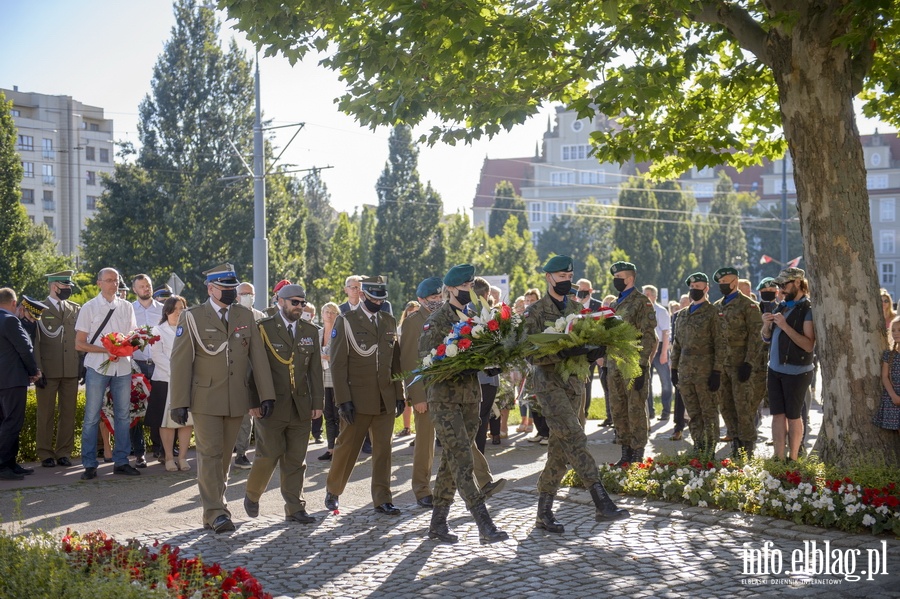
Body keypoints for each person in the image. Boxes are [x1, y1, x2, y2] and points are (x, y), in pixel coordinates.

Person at [523, 256, 630, 533]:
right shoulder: (535, 312)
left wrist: (594, 351)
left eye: (569, 276)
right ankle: (600, 500)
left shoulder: (575, 308)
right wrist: (559, 352)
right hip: (548, 385)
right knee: (574, 437)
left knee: (559, 449)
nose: (566, 281)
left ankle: (543, 513)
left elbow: (584, 340)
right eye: (560, 276)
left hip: (574, 384)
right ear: (548, 278)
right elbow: (529, 352)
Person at [169, 263, 276, 533]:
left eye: (233, 288)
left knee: (225, 457)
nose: (231, 293)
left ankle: (216, 507)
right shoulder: (193, 317)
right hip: (205, 398)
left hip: (236, 397)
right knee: (209, 454)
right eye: (225, 289)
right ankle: (216, 512)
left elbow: (258, 359)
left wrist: (266, 394)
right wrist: (178, 402)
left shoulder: (245, 314)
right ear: (211, 289)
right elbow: (180, 361)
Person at [420, 264, 508, 544]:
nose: (471, 291)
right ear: (452, 290)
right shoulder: (437, 320)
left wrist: (490, 364)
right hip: (445, 400)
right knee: (463, 459)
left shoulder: (472, 317)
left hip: (471, 397)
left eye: (472, 286)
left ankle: (437, 524)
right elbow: (428, 361)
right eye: (466, 287)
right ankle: (484, 523)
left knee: (450, 461)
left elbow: (478, 352)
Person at [324, 276, 405, 516]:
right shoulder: (346, 320)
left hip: (385, 397)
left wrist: (399, 394)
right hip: (356, 400)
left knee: (383, 451)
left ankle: (382, 498)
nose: (378, 303)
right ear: (363, 296)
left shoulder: (388, 320)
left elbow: (395, 362)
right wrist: (343, 400)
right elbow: (338, 365)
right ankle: (333, 491)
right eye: (374, 299)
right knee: (347, 447)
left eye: (382, 299)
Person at [244, 284, 324, 524]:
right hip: (271, 404)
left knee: (296, 459)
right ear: (280, 301)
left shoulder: (310, 331)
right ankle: (252, 494)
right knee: (268, 455)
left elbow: (314, 371)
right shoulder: (264, 329)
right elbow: (252, 369)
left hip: (300, 405)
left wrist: (317, 402)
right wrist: (254, 401)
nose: (299, 306)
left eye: (302, 302)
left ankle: (295, 507)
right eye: (294, 302)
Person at [75, 268, 140, 480]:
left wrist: (130, 344)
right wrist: (107, 349)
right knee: (92, 417)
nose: (113, 284)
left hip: (122, 368)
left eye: (116, 280)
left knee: (123, 415)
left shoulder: (127, 306)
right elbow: (79, 344)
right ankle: (89, 464)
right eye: (109, 280)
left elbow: (132, 336)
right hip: (96, 367)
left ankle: (121, 461)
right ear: (99, 283)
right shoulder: (89, 307)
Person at [761, 267, 816, 461]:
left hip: (797, 371)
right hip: (774, 369)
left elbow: (809, 345)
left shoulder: (807, 309)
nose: (781, 290)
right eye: (779, 285)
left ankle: (793, 458)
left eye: (784, 285)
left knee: (793, 416)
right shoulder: (783, 305)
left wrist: (784, 326)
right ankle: (778, 457)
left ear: (798, 283)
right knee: (777, 415)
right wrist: (766, 326)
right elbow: (767, 339)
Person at [608, 261, 658, 466]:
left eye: (619, 277)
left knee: (635, 407)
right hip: (614, 363)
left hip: (633, 363)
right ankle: (625, 450)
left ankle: (638, 451)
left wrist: (642, 365)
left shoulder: (641, 301)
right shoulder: (613, 305)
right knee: (618, 407)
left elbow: (649, 337)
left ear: (629, 279)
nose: (615, 280)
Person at [400, 277, 443, 508]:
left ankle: (477, 481)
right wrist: (417, 396)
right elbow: (408, 361)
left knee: (461, 439)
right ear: (421, 300)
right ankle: (422, 489)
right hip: (425, 391)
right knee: (425, 444)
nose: (437, 301)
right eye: (432, 298)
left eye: (439, 297)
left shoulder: (448, 316)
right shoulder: (413, 322)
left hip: (448, 390)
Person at [670, 274, 724, 455]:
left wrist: (717, 371)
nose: (694, 289)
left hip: (705, 372)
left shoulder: (713, 313)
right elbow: (677, 344)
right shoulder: (682, 315)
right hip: (685, 372)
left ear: (706, 288)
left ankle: (710, 449)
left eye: (698, 285)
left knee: (708, 412)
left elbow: (720, 344)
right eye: (692, 285)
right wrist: (674, 368)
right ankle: (698, 446)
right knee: (693, 413)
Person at [713, 267, 765, 457]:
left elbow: (756, 336)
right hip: (722, 364)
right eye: (719, 282)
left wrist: (749, 362)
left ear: (735, 282)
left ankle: (747, 446)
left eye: (725, 281)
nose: (722, 285)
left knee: (743, 406)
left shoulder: (748, 306)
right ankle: (735, 440)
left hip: (741, 364)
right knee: (725, 405)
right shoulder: (717, 306)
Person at [33, 270, 80, 468]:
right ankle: (45, 453)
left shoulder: (75, 309)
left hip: (71, 368)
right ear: (54, 287)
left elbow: (79, 337)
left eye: (69, 287)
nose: (68, 290)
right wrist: (37, 369)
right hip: (48, 370)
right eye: (65, 287)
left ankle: (64, 452)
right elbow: (35, 343)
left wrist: (82, 364)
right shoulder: (39, 310)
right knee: (45, 413)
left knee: (68, 413)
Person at [0, 288, 41, 481]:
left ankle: (10, 463)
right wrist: (34, 371)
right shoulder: (10, 320)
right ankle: (3, 465)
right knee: (13, 422)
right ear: (13, 303)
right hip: (12, 379)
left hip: (4, 380)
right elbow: (25, 348)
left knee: (4, 422)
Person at [149, 295, 192, 471]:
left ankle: (182, 457)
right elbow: (157, 356)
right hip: (165, 381)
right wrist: (176, 373)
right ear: (167, 311)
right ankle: (168, 457)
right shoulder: (157, 330)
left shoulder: (189, 329)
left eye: (182, 309)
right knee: (166, 422)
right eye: (175, 309)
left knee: (186, 421)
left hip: (187, 381)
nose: (178, 313)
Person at [233, 281, 267, 470]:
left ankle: (241, 453)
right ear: (237, 295)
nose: (248, 296)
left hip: (253, 372)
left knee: (250, 416)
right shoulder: (230, 315)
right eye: (244, 293)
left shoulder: (260, 316)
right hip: (233, 372)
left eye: (251, 293)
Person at [130, 273, 163, 468]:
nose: (146, 288)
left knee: (159, 408)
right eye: (141, 286)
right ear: (134, 289)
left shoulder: (162, 310)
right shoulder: (128, 310)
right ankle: (139, 453)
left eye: (148, 285)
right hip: (137, 364)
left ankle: (159, 448)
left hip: (159, 364)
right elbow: (125, 336)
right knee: (136, 410)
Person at [643, 285, 672, 421]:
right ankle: (650, 412)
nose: (646, 296)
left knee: (665, 381)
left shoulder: (661, 311)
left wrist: (664, 353)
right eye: (644, 293)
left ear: (654, 296)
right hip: (646, 348)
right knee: (646, 382)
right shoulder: (641, 311)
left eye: (648, 294)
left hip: (660, 347)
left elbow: (666, 332)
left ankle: (666, 411)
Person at [317, 302, 341, 461]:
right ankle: (330, 448)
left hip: (337, 379)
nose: (329, 314)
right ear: (322, 314)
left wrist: (327, 358)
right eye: (326, 311)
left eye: (333, 312)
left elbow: (343, 356)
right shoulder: (317, 333)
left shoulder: (340, 333)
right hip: (322, 379)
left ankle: (340, 448)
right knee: (328, 416)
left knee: (339, 415)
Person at [576, 278, 603, 419]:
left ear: (591, 291)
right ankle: (578, 412)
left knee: (589, 382)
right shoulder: (573, 305)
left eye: (584, 291)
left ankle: (584, 413)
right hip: (577, 350)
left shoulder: (598, 306)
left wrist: (600, 355)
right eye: (579, 290)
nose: (581, 293)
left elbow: (602, 330)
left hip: (594, 351)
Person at [668, 293, 692, 441]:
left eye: (685, 302)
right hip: (681, 360)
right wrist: (673, 364)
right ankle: (678, 427)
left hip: (700, 362)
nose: (683, 305)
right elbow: (674, 341)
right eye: (681, 302)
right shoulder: (677, 316)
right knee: (679, 394)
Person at [874, 315, 900, 432]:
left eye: (899, 330)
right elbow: (885, 377)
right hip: (894, 397)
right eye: (893, 330)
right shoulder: (889, 355)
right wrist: (893, 396)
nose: (895, 333)